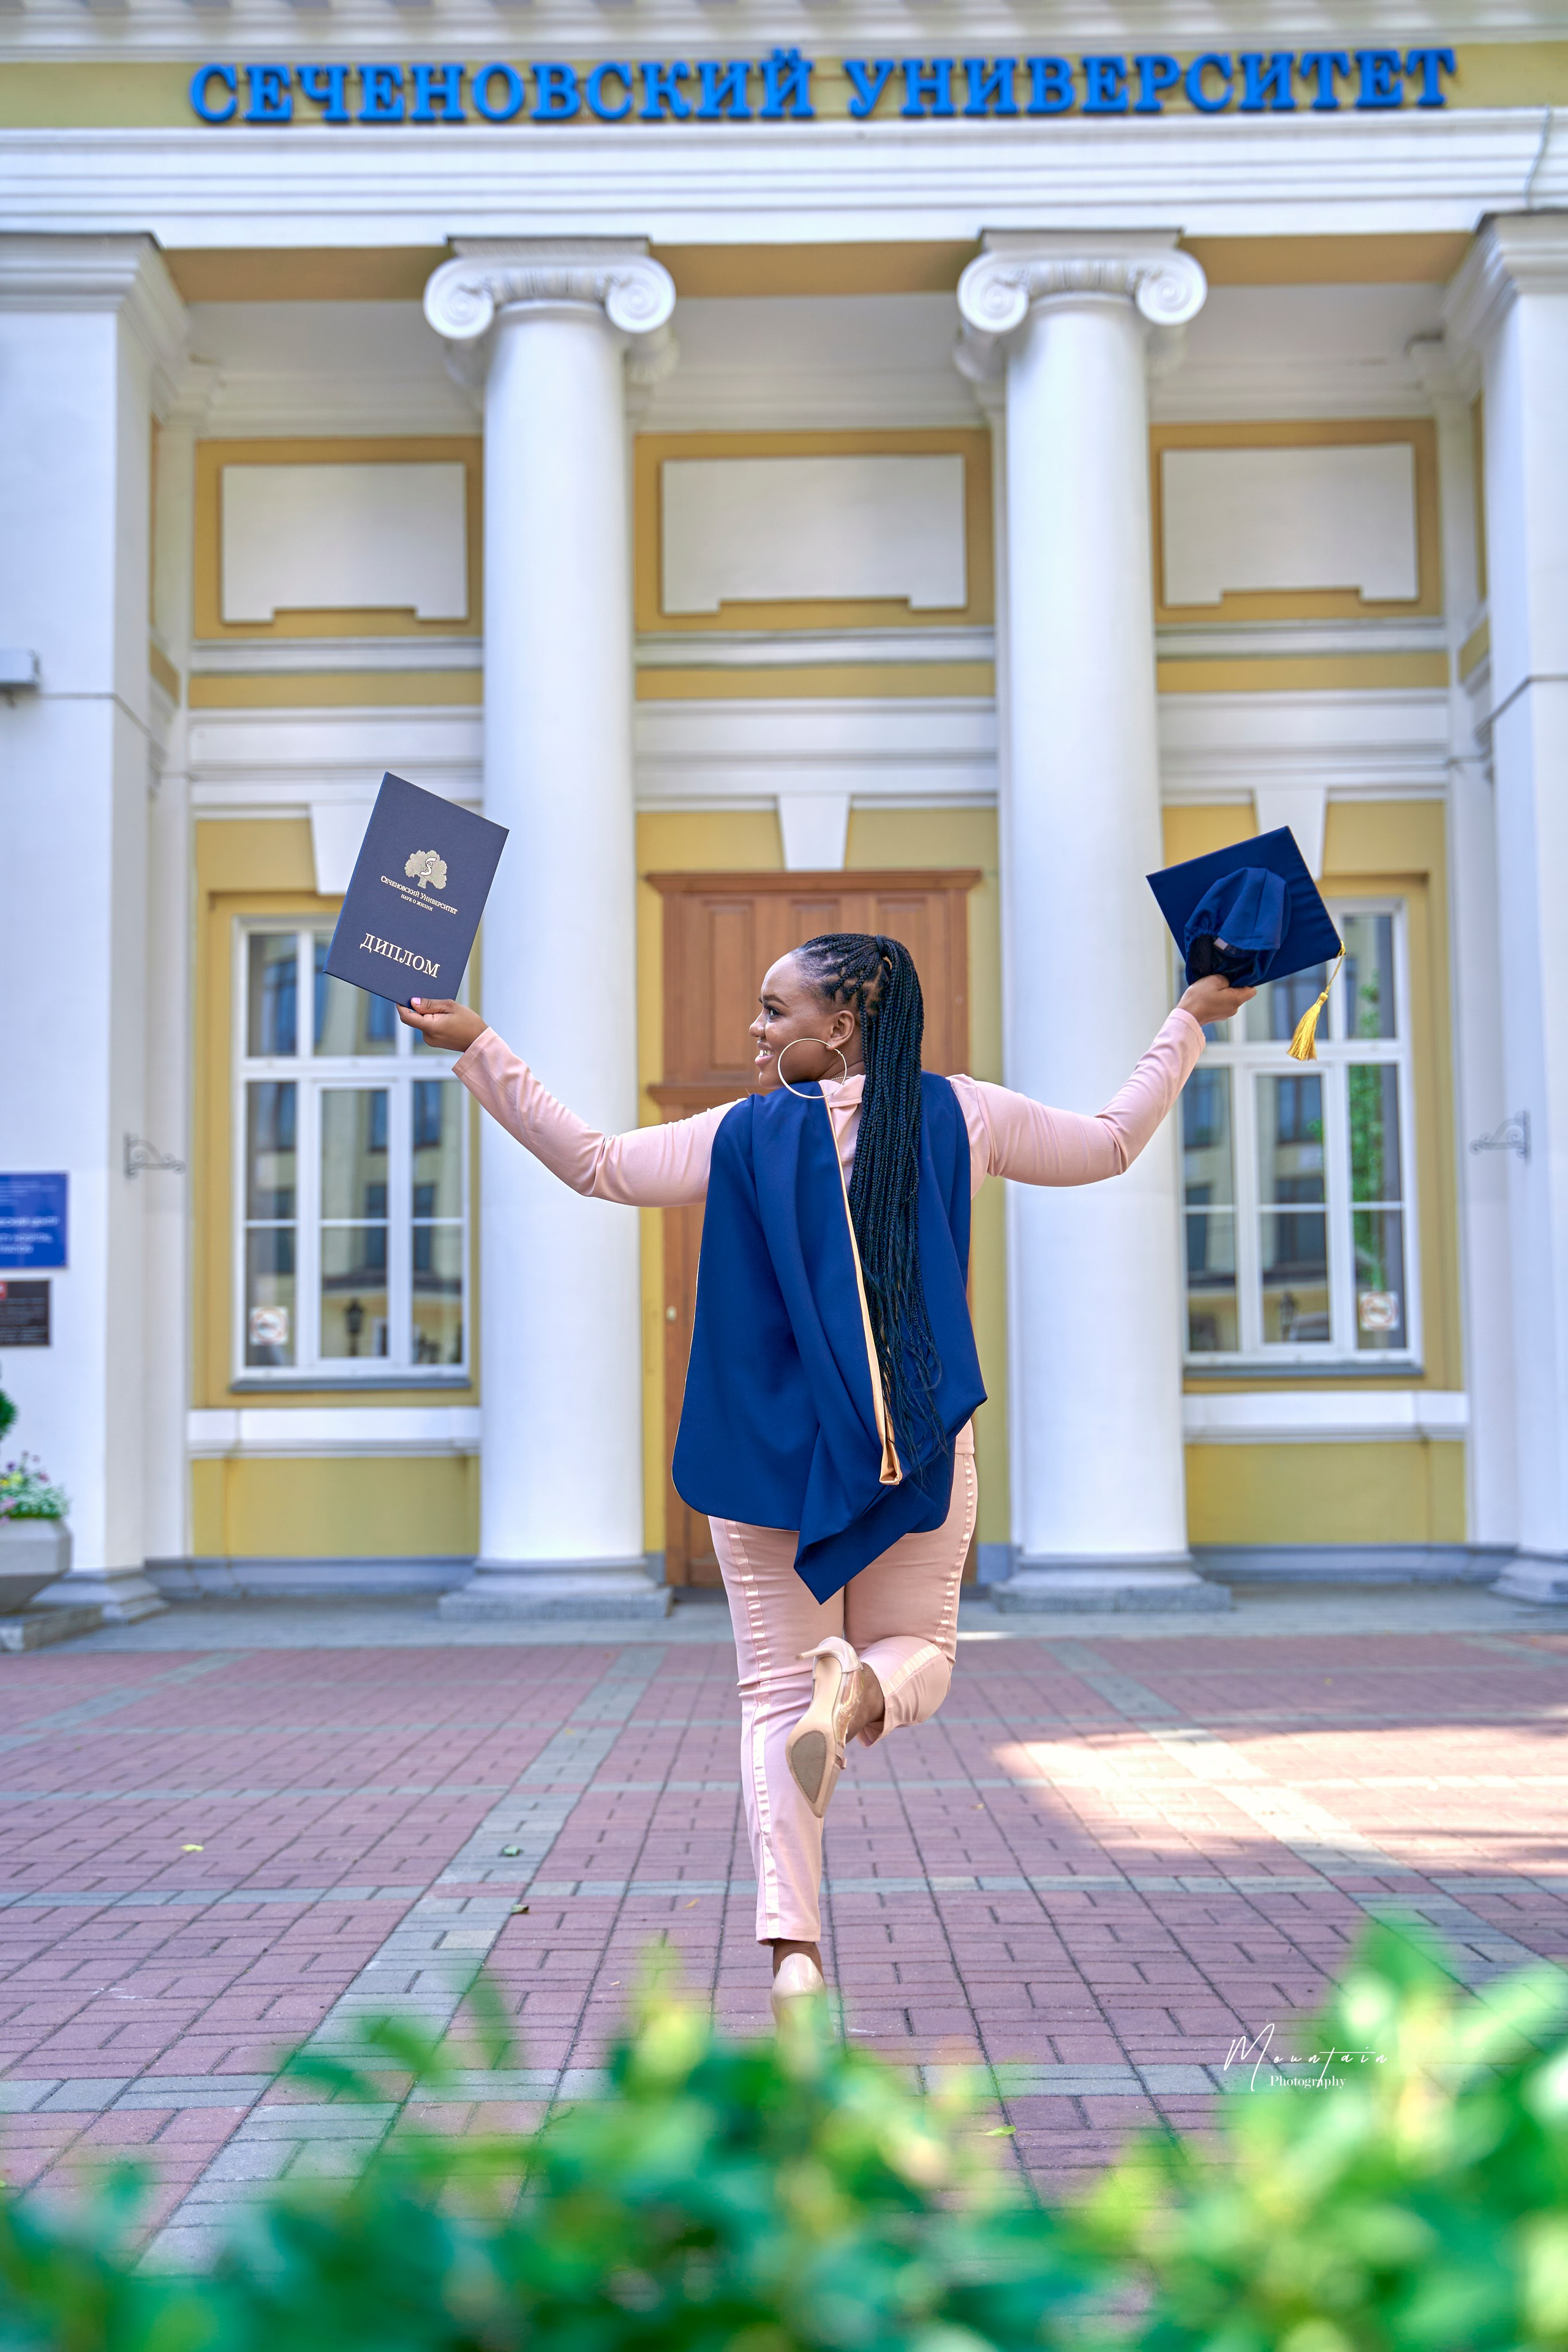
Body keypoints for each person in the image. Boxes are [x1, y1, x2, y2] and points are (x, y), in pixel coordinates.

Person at [401, 940, 1251, 2019]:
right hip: (918, 1445)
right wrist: (1188, 1019)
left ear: (840, 1023)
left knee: (769, 1698)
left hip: (767, 1462)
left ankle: (794, 1954)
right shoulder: (964, 1114)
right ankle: (854, 1694)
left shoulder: (742, 1135)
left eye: (772, 1010)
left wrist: (480, 1046)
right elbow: (1114, 1141)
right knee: (924, 1657)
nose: (754, 1031)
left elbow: (597, 1163)